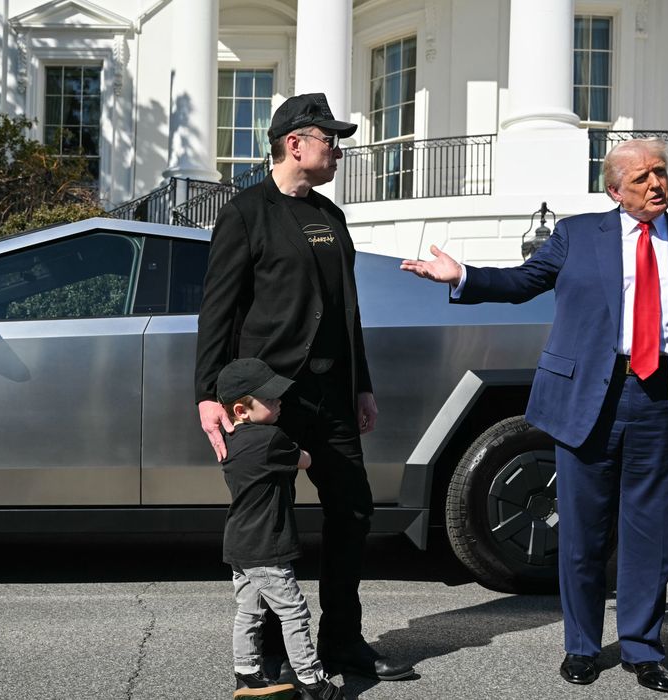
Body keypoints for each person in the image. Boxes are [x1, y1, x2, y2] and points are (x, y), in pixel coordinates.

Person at [400, 138, 668, 694]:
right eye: (640, 179)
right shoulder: (578, 235)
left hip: (660, 403)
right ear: (614, 191)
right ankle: (581, 646)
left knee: (651, 536)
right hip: (589, 401)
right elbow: (522, 282)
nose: (656, 185)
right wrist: (463, 276)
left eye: (660, 173)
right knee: (582, 535)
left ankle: (643, 648)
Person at [195, 92, 413, 682]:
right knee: (272, 523)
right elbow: (217, 311)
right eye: (330, 139)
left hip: (333, 394)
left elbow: (348, 311)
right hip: (268, 400)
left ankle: (341, 638)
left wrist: (361, 384)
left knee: (353, 510)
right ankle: (269, 655)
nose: (338, 150)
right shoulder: (246, 212)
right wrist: (209, 395)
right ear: (296, 143)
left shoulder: (330, 216)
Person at [217, 358, 343, 700]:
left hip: (239, 543)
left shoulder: (229, 442)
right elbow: (306, 460)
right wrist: (301, 450)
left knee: (249, 610)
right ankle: (311, 680)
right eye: (270, 400)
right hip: (266, 544)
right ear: (242, 410)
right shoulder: (271, 439)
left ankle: (246, 673)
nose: (279, 403)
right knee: (294, 611)